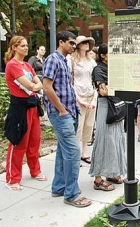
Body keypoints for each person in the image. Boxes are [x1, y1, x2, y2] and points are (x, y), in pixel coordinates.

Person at [43, 30, 91, 207]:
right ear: (61, 42)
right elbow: (47, 87)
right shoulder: (53, 59)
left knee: (64, 151)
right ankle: (71, 194)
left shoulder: (64, 61)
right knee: (73, 152)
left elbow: (66, 87)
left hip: (71, 111)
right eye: (71, 43)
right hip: (61, 114)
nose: (73, 46)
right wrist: (62, 110)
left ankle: (59, 187)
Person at [3, 36, 47, 191]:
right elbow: (32, 85)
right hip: (19, 108)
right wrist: (36, 85)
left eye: (27, 45)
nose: (25, 48)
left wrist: (36, 85)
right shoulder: (12, 65)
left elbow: (39, 84)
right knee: (19, 142)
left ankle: (35, 170)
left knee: (34, 141)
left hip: (33, 106)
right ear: (14, 47)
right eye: (22, 45)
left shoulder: (28, 65)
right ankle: (12, 179)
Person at [89, 43, 128, 190]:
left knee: (115, 140)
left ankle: (111, 172)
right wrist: (120, 88)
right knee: (103, 140)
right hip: (106, 106)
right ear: (103, 55)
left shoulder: (115, 68)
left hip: (116, 105)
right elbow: (103, 91)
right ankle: (98, 179)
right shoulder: (98, 70)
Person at [68, 36, 97, 164]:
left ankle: (84, 153)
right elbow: (69, 81)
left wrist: (94, 98)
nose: (86, 44)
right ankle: (76, 154)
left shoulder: (91, 61)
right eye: (84, 42)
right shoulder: (71, 60)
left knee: (89, 125)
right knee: (78, 126)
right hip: (78, 96)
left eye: (88, 43)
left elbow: (96, 79)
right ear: (78, 45)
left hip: (91, 95)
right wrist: (79, 99)